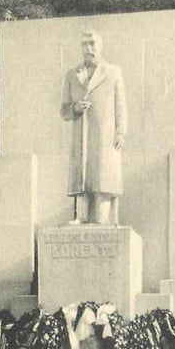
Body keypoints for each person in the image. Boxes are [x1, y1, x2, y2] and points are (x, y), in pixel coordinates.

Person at [60, 29, 127, 225]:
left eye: (92, 43)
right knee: (82, 176)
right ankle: (80, 216)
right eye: (85, 44)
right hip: (82, 134)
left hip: (105, 134)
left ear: (100, 45)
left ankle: (100, 219)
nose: (89, 48)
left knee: (103, 176)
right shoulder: (72, 75)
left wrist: (121, 132)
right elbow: (63, 110)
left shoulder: (113, 72)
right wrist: (76, 107)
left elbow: (120, 104)